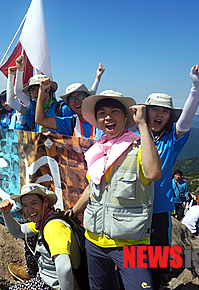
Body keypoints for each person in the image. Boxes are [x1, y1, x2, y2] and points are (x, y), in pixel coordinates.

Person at [67, 90, 162, 290]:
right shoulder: (97, 152)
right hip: (93, 240)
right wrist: (73, 212)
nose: (107, 117)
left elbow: (153, 173)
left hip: (131, 243)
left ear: (126, 116)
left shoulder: (138, 148)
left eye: (114, 112)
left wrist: (142, 124)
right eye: (101, 113)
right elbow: (92, 188)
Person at [144, 65, 199, 289]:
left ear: (170, 116)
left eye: (164, 111)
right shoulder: (133, 136)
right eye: (154, 109)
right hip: (132, 208)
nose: (159, 114)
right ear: (146, 112)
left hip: (159, 209)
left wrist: (197, 88)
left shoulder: (171, 140)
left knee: (154, 260)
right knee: (130, 258)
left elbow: (187, 120)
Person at [0, 183, 80, 290]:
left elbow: (64, 268)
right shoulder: (42, 221)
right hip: (47, 277)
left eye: (34, 203)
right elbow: (18, 232)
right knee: (30, 236)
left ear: (45, 202)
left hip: (56, 285)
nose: (30, 209)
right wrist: (6, 213)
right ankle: (30, 273)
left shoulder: (54, 227)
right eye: (25, 205)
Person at [6, 55, 71, 132]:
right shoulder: (34, 109)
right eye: (31, 90)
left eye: (38, 89)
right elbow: (12, 101)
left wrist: (54, 137)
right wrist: (18, 71)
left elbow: (71, 136)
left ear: (48, 88)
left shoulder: (62, 109)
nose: (34, 93)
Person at [35, 79, 103, 139]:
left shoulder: (102, 120)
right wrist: (42, 90)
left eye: (80, 96)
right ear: (69, 105)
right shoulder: (70, 123)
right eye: (71, 99)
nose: (76, 100)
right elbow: (40, 120)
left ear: (88, 98)